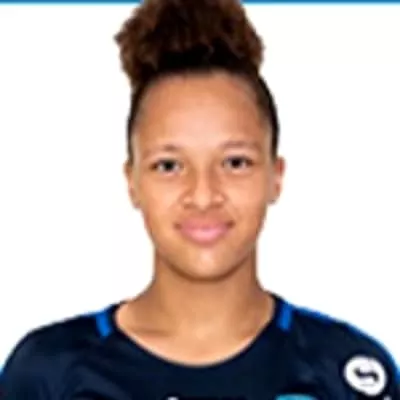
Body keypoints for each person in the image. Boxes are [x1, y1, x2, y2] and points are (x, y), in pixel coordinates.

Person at [0, 0, 398, 399]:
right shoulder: (48, 373)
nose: (204, 195)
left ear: (275, 177)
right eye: (169, 166)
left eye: (235, 162)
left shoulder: (347, 373)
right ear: (132, 182)